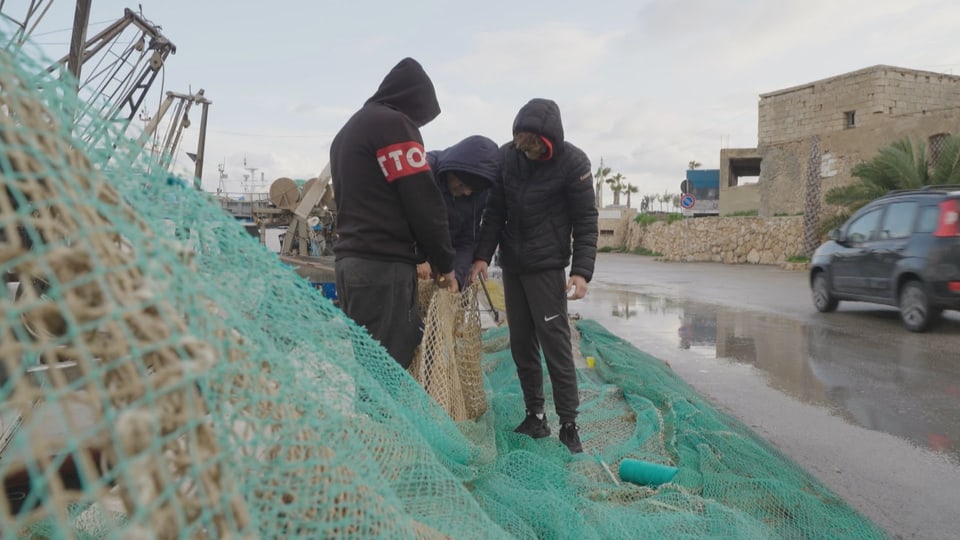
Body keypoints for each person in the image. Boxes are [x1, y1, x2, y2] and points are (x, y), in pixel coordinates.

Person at [469, 98, 599, 453]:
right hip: (513, 264)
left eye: (535, 149)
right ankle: (535, 416)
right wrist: (482, 256)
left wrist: (582, 272)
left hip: (547, 267)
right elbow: (494, 211)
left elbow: (586, 221)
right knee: (521, 343)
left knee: (555, 345)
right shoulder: (507, 157)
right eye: (522, 147)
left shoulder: (574, 163)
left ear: (549, 142)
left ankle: (569, 424)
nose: (528, 154)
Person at [330, 57, 457, 369]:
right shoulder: (394, 125)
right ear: (413, 100)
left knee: (369, 365)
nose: (418, 125)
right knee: (389, 369)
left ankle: (369, 418)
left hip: (351, 266)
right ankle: (383, 420)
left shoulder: (348, 131)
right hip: (382, 270)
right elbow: (423, 201)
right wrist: (445, 263)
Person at [416, 135, 501, 289]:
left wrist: (457, 276)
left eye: (473, 190)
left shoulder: (479, 195)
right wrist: (417, 258)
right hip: (408, 262)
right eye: (462, 184)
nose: (467, 193)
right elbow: (401, 217)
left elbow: (467, 240)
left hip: (442, 267)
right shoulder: (424, 170)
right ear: (452, 170)